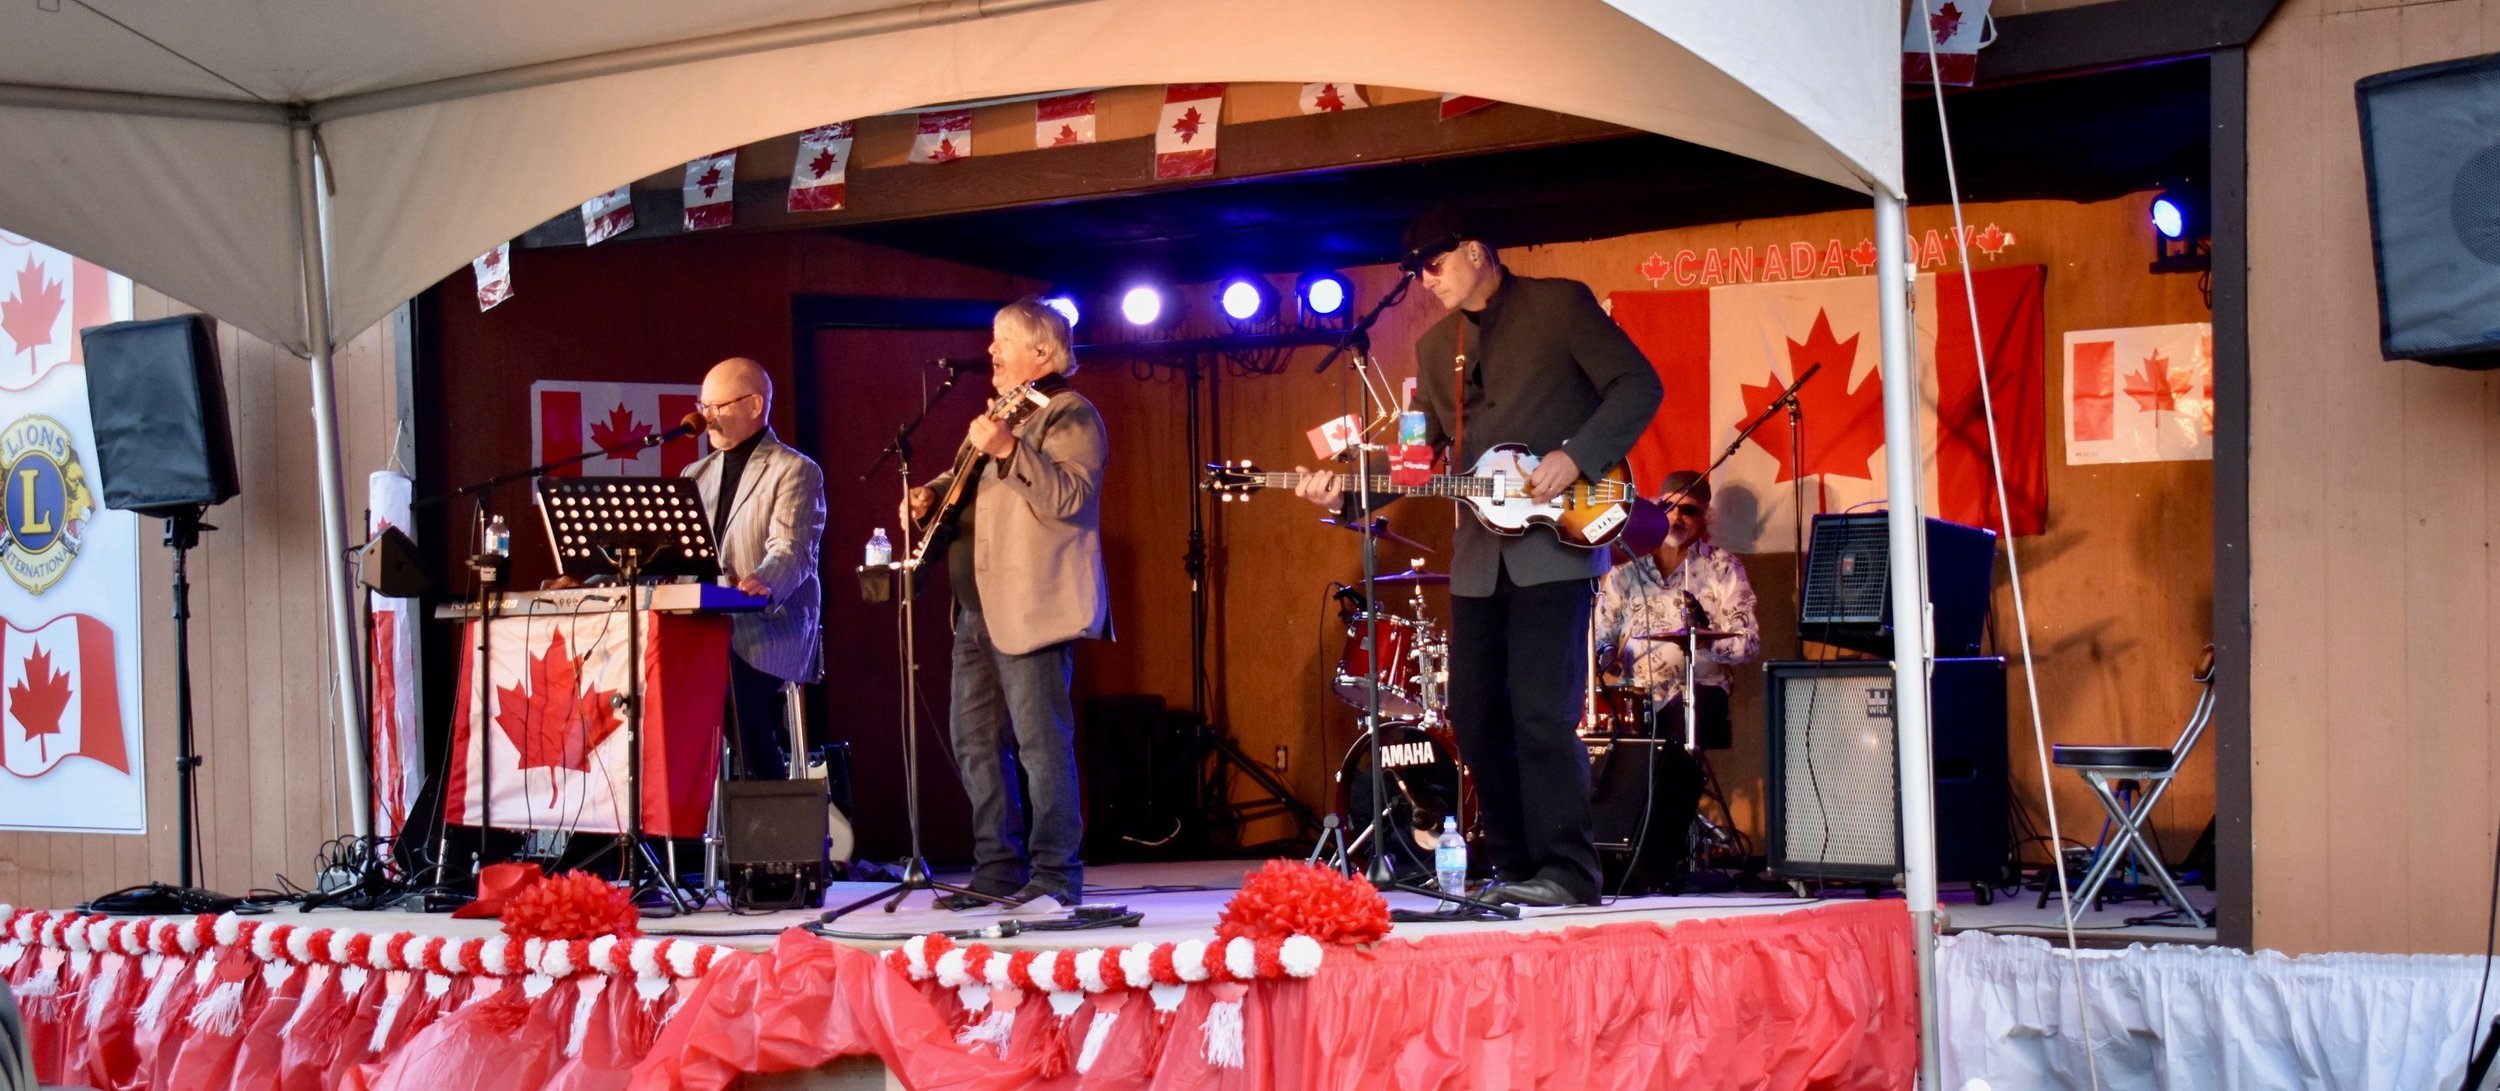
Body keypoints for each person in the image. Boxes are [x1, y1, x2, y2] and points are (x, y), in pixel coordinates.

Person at [1296, 209, 1663, 907]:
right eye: (1416, 273)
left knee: (1539, 711)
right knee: (1474, 712)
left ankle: (1569, 869)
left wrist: (1575, 456)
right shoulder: (1436, 349)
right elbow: (1412, 463)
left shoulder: (1560, 305)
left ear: (1473, 250)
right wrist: (1344, 494)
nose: (1425, 282)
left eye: (1432, 266)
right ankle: (1519, 864)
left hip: (1556, 545)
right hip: (1478, 559)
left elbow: (1639, 385)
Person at [907, 298, 1109, 909]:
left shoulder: (1071, 414)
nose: (990, 351)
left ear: (1042, 354)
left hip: (1032, 608)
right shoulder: (1006, 411)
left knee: (1040, 743)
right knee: (974, 743)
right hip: (975, 609)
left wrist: (1005, 449)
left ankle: (1055, 876)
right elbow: (964, 481)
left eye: (1002, 340)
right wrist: (929, 494)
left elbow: (1068, 497)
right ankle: (996, 869)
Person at [684, 356, 825, 780]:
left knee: (729, 691)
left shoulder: (795, 469)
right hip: (704, 628)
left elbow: (793, 548)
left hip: (768, 629)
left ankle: (767, 806)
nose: (706, 417)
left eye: (717, 407)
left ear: (754, 405)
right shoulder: (695, 473)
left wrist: (762, 580)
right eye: (703, 405)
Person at [1593, 470, 1762, 751]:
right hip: (1631, 694)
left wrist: (1706, 641)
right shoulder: (1626, 565)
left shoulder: (1723, 567)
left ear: (1705, 516)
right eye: (1668, 506)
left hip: (1698, 691)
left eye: (1688, 510)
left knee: (1675, 746)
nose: (1676, 517)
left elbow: (1749, 643)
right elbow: (1601, 634)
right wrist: (1607, 656)